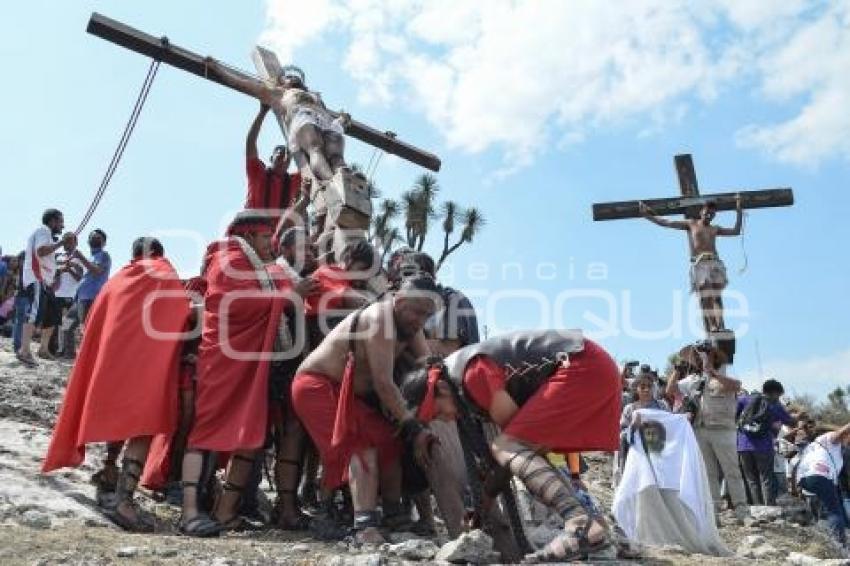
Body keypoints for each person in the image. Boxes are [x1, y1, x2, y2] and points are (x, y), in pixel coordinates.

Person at [406, 329, 621, 562]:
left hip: (582, 365)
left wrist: (485, 500)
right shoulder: (462, 378)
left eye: (438, 413)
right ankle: (594, 527)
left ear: (443, 389)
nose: (446, 420)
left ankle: (579, 522)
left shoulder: (473, 374)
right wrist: (484, 505)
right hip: (591, 365)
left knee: (506, 445)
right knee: (514, 449)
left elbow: (514, 450)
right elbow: (523, 458)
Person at [42, 237, 191, 531]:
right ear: (158, 253)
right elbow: (181, 312)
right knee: (144, 426)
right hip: (147, 363)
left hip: (111, 365)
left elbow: (96, 322)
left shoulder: (118, 279)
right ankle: (123, 502)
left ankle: (109, 472)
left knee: (122, 419)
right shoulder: (162, 270)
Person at [292, 276, 439, 543]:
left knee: (390, 441)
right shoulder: (380, 320)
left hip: (351, 394)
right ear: (400, 300)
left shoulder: (411, 324)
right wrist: (414, 427)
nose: (420, 320)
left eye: (427, 315)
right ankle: (363, 525)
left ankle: (394, 516)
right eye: (417, 312)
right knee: (359, 446)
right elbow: (384, 383)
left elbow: (426, 367)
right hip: (316, 387)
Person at [179, 211, 295, 537]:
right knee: (204, 435)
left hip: (244, 362)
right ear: (248, 235)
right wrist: (288, 295)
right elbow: (238, 303)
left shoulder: (245, 262)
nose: (271, 245)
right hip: (224, 362)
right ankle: (189, 513)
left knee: (250, 435)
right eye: (264, 237)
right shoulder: (227, 259)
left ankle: (224, 512)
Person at [613, 409, 731, 556]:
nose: (645, 389)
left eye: (648, 386)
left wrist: (682, 419)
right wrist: (634, 427)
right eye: (642, 386)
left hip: (665, 474)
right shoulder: (630, 410)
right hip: (642, 469)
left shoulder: (660, 408)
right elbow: (622, 436)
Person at [665, 342, 748, 523]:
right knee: (708, 472)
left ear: (714, 356)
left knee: (731, 470)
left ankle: (742, 510)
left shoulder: (725, 373)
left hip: (723, 429)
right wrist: (676, 370)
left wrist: (712, 372)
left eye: (704, 354)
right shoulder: (693, 379)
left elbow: (736, 386)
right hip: (700, 429)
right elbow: (670, 390)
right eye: (696, 356)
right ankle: (714, 512)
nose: (698, 358)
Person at [640, 197, 742, 333]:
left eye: (712, 214)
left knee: (717, 296)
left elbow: (735, 231)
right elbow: (667, 222)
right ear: (701, 212)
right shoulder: (692, 224)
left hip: (715, 262)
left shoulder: (715, 229)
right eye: (707, 213)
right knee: (706, 294)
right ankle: (712, 325)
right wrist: (648, 216)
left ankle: (720, 325)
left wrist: (739, 211)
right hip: (700, 263)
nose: (709, 216)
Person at [18, 209, 77, 366]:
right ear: (52, 221)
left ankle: (43, 349)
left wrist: (61, 268)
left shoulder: (49, 237)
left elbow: (47, 261)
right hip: (36, 278)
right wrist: (62, 243)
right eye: (60, 221)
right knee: (33, 312)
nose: (62, 226)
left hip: (46, 282)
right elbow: (41, 251)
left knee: (52, 315)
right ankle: (24, 350)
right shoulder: (43, 230)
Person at [736, 379, 795, 506]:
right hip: (763, 446)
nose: (778, 397)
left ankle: (757, 507)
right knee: (766, 478)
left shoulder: (745, 399)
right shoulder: (774, 405)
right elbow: (790, 421)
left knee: (751, 479)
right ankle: (768, 507)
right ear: (775, 392)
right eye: (779, 395)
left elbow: (734, 416)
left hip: (743, 445)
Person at [244, 104, 306, 224]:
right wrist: (262, 112)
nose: (284, 157)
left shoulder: (294, 180)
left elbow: (310, 164)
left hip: (273, 237)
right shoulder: (257, 172)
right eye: (279, 154)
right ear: (271, 158)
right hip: (251, 229)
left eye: (287, 155)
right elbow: (251, 142)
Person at [796, 422, 850, 544]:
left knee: (832, 508)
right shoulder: (828, 438)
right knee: (834, 511)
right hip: (819, 476)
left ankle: (836, 536)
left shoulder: (814, 445)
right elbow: (841, 432)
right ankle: (839, 543)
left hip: (806, 480)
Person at [74, 229, 112, 326]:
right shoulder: (90, 258)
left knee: (87, 328)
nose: (94, 239)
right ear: (88, 241)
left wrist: (81, 257)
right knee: (66, 326)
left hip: (92, 298)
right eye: (92, 237)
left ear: (104, 243)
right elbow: (84, 278)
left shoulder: (104, 255)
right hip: (80, 298)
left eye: (98, 238)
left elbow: (97, 271)